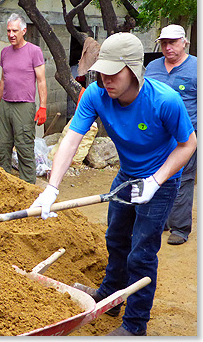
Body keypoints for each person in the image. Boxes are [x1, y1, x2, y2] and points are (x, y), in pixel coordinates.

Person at [30, 33, 196, 336]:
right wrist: (51, 188)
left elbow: (188, 145)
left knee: (141, 252)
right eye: (101, 71)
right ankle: (110, 294)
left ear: (133, 70)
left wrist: (155, 182)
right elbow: (71, 139)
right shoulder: (95, 94)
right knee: (115, 239)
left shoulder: (164, 101)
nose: (105, 79)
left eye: (113, 72)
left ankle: (134, 326)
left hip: (161, 183)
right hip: (126, 177)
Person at [145, 24, 197, 245]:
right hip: (158, 135)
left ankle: (180, 227)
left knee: (183, 178)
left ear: (184, 42)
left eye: (172, 43)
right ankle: (162, 220)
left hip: (186, 135)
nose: (167, 48)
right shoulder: (153, 67)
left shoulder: (196, 67)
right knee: (157, 175)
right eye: (164, 43)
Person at [0, 13, 47, 184]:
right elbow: (3, 79)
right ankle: (4, 184)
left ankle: (28, 187)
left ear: (24, 30)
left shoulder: (34, 51)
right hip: (6, 105)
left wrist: (42, 107)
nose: (11, 34)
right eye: (8, 31)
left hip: (24, 106)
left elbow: (41, 81)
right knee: (3, 147)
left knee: (24, 148)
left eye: (15, 30)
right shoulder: (5, 52)